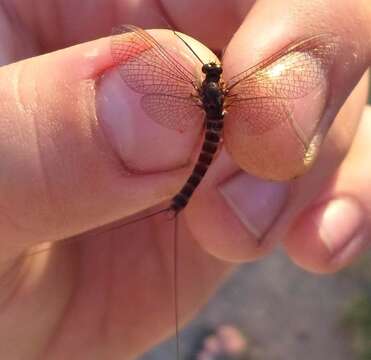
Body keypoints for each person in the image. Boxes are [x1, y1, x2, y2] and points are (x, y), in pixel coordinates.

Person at [0, 0, 370, 359]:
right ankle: (182, 202)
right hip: (213, 142)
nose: (212, 72)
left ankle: (179, 201)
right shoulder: (228, 90)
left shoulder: (198, 89)